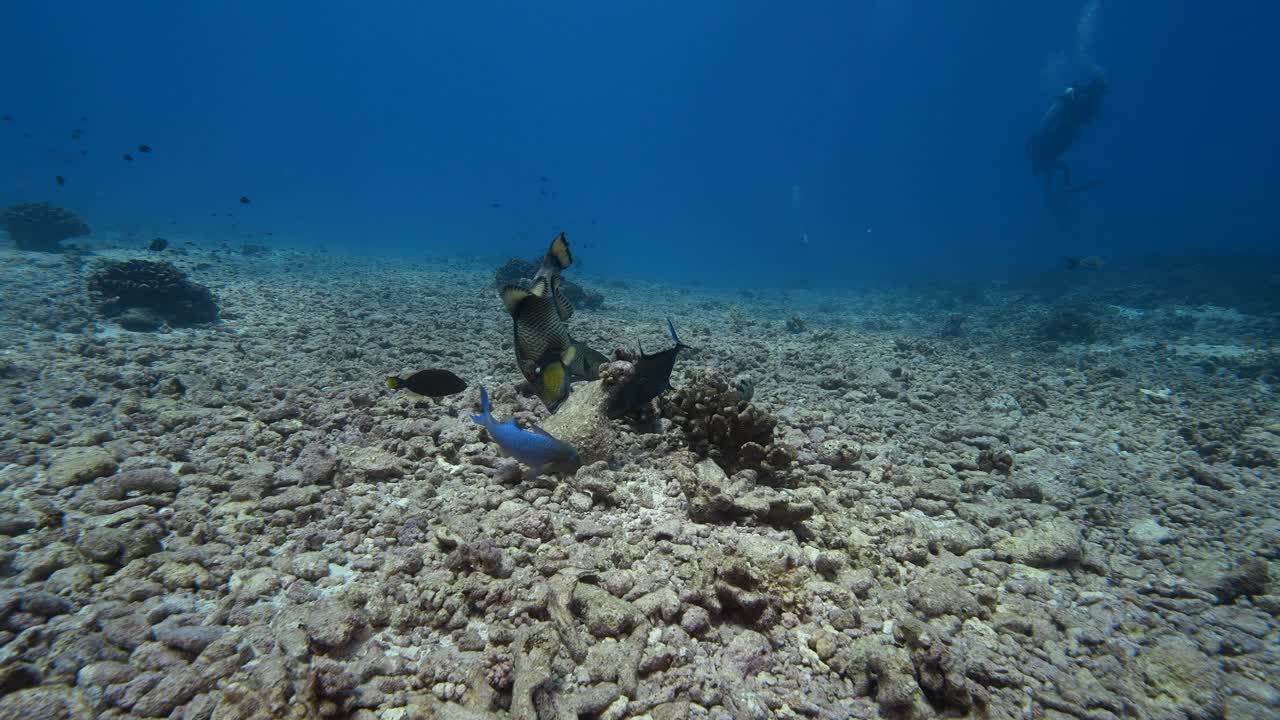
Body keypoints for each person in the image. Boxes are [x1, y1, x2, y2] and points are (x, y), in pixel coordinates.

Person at [1028, 73, 1107, 221]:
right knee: (1057, 170)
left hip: (1059, 135)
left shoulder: (1044, 153)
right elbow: (1063, 169)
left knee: (1055, 170)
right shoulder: (1045, 154)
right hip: (1060, 135)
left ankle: (1059, 193)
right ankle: (1060, 193)